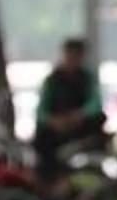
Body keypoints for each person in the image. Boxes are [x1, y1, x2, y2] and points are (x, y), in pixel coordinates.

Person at [32, 36, 106, 180]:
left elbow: (95, 105)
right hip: (56, 128)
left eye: (77, 55)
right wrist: (54, 121)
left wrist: (80, 115)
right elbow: (41, 112)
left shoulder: (87, 78)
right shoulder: (52, 80)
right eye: (70, 54)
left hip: (80, 125)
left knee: (99, 120)